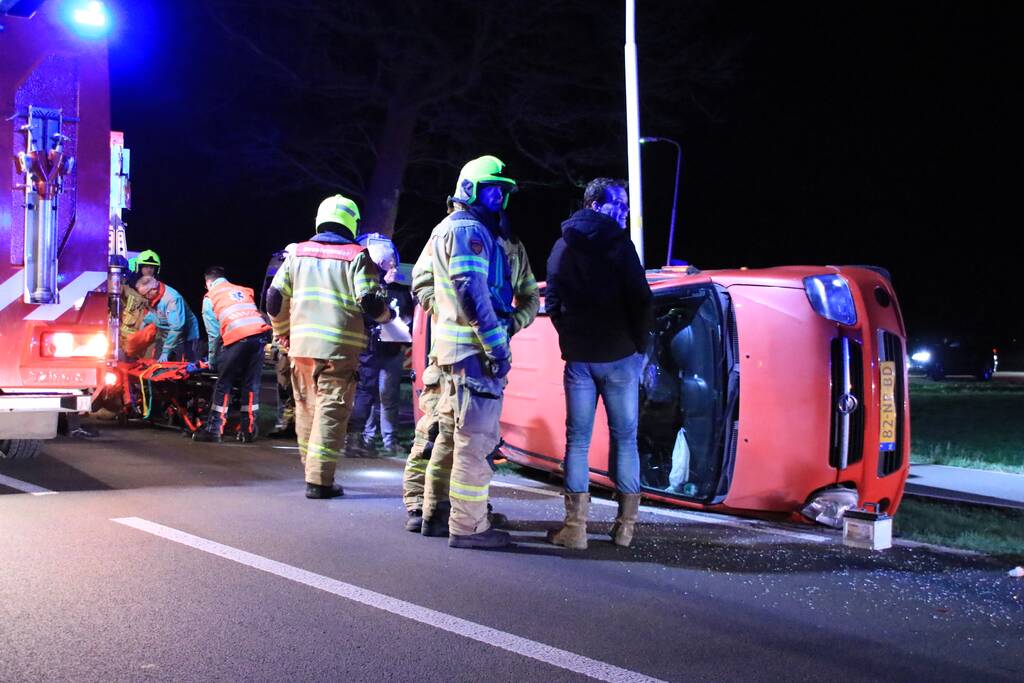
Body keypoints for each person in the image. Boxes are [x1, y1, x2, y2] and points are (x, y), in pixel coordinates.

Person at [401, 203, 539, 533]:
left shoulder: (511, 245)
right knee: (437, 434)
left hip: (482, 350)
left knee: (465, 440)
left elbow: (528, 296)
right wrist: (451, 313)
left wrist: (510, 326)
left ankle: (457, 510)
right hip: (454, 354)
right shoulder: (455, 232)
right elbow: (423, 283)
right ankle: (423, 504)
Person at [413, 155, 518, 549]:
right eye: (494, 189)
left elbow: (423, 283)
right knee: (476, 442)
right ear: (470, 189)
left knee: (448, 439)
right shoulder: (472, 231)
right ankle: (469, 526)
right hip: (475, 353)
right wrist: (495, 345)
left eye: (504, 192)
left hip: (451, 354)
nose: (500, 198)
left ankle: (436, 513)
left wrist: (446, 318)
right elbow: (471, 290)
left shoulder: (445, 228)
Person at [544, 178, 652, 549]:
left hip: (580, 359)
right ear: (596, 203)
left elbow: (553, 301)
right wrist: (640, 346)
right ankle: (625, 528)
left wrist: (571, 338)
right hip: (621, 356)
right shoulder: (622, 246)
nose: (624, 211)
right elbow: (641, 299)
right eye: (619, 203)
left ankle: (575, 529)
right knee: (625, 439)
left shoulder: (563, 246)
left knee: (577, 441)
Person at [266, 194, 393, 499]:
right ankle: (320, 482)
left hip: (301, 347)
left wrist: (282, 331)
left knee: (307, 409)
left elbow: (273, 298)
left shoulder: (296, 254)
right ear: (352, 223)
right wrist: (388, 315)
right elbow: (370, 301)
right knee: (331, 412)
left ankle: (311, 471)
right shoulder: (356, 256)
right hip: (339, 348)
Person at [347, 233, 414, 457]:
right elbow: (370, 309)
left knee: (388, 395)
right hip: (372, 346)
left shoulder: (403, 291)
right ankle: (364, 438)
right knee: (366, 392)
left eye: (393, 262)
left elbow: (408, 316)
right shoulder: (373, 285)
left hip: (393, 347)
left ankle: (388, 440)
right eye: (388, 263)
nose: (392, 266)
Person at [193, 266, 273, 443]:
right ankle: (249, 431)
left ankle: (214, 430)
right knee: (251, 385)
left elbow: (214, 334)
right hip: (259, 338)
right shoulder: (242, 290)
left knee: (224, 384)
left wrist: (213, 360)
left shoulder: (210, 297)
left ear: (209, 283)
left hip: (238, 338)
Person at [135, 275, 201, 362]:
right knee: (156, 365)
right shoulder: (153, 295)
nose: (144, 297)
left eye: (144, 295)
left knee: (183, 369)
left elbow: (176, 328)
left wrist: (165, 352)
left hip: (184, 338)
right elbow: (156, 311)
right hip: (166, 335)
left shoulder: (172, 299)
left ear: (154, 289)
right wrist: (145, 321)